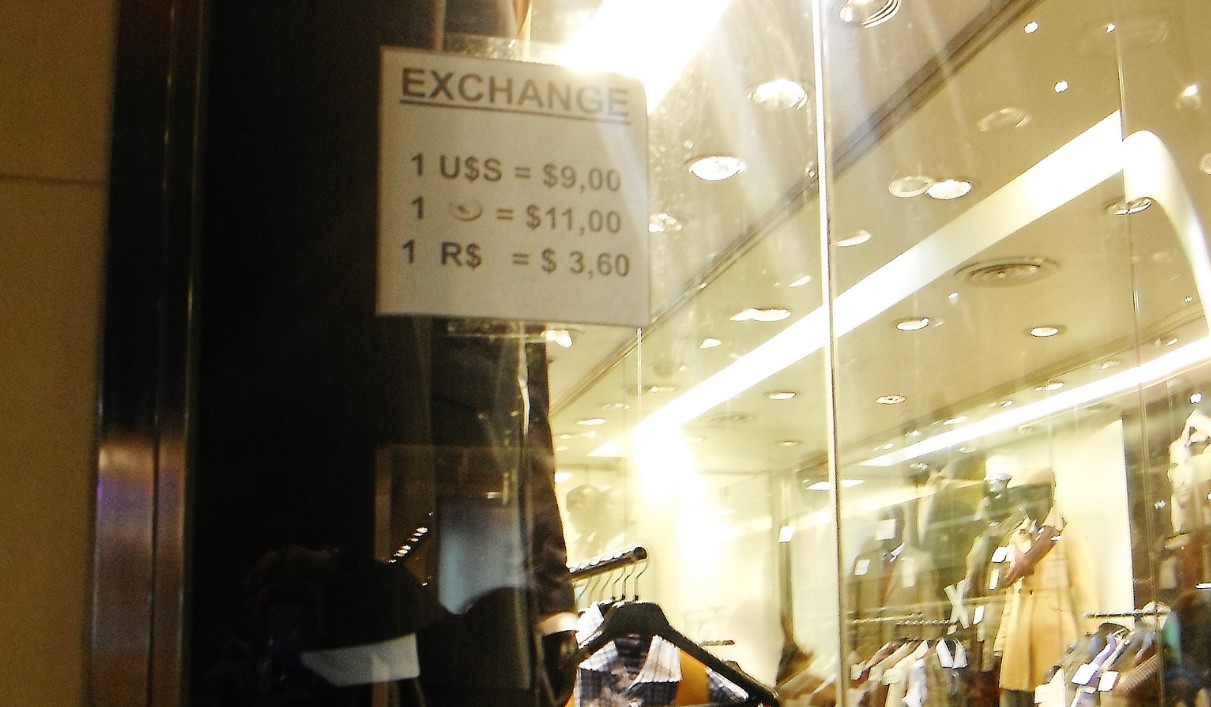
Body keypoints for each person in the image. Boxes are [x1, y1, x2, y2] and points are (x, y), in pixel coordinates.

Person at [993, 468, 1096, 707]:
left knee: (1052, 695)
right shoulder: (1018, 538)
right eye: (1023, 497)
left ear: (1048, 494)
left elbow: (1084, 589)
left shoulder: (1068, 535)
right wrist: (1001, 642)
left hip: (1054, 636)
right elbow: (1011, 597)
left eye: (1032, 495)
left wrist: (1090, 638)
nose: (1027, 504)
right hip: (1018, 639)